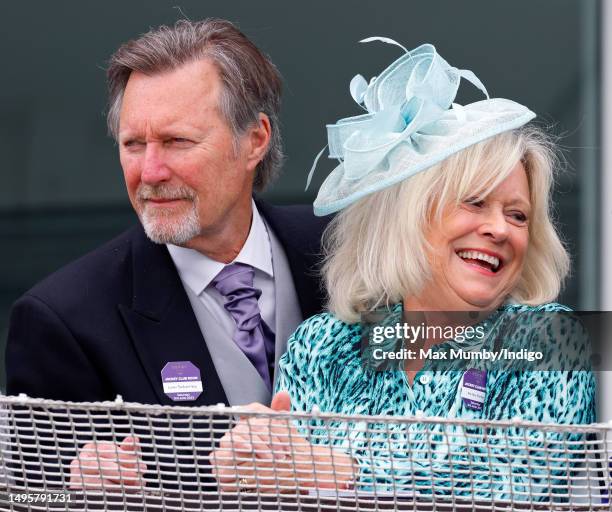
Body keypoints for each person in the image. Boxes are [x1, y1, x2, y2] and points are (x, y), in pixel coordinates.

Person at [211, 41, 595, 499]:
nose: (499, 229)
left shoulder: (549, 338)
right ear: (407, 218)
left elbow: (514, 488)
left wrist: (341, 474)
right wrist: (254, 464)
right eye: (474, 203)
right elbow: (290, 485)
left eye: (518, 215)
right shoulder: (322, 346)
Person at [4, 19, 328, 488]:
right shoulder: (62, 320)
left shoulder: (350, 254)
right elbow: (33, 497)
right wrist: (73, 492)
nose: (150, 172)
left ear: (255, 140)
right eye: (133, 144)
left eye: (177, 141)